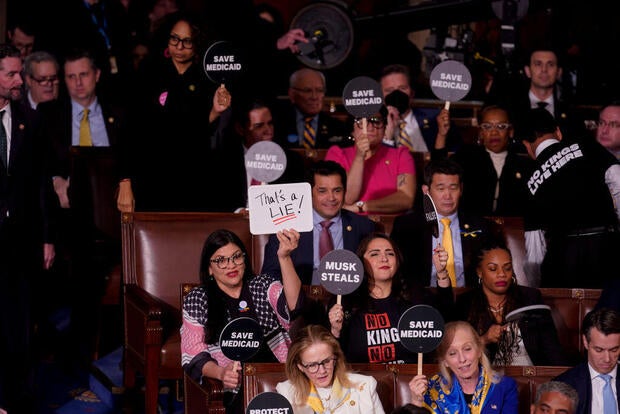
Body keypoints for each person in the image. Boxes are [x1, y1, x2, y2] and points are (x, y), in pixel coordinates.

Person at [38, 48, 127, 363]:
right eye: (71, 77)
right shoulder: (48, 115)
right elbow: (38, 164)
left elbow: (132, 161)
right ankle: (78, 346)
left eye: (83, 75)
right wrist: (54, 180)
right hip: (69, 215)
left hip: (115, 213)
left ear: (97, 75)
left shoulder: (119, 112)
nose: (77, 83)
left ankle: (114, 342)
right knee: (81, 262)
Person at [119, 12, 236, 213]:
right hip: (151, 182)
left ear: (198, 42)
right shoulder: (148, 72)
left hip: (195, 183)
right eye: (174, 39)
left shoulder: (208, 80)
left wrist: (215, 113)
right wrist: (124, 182)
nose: (179, 47)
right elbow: (130, 132)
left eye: (187, 41)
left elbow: (203, 139)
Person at [181, 228, 302, 414]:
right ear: (209, 268)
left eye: (236, 256)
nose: (231, 265)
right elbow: (194, 355)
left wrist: (284, 258)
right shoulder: (198, 299)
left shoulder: (263, 285)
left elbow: (294, 307)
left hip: (278, 375)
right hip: (235, 384)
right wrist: (221, 373)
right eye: (221, 260)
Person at [0, 43, 55, 414]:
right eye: (11, 74)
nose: (20, 80)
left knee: (16, 328)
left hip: (19, 241)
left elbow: (41, 186)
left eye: (21, 73)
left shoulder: (30, 121)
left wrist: (48, 237)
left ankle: (10, 400)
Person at [521, 107, 620, 288]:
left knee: (567, 314)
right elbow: (617, 178)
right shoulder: (585, 144)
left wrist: (536, 290)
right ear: (558, 132)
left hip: (562, 256)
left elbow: (535, 250)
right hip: (605, 246)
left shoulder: (529, 181)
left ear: (527, 145)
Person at [328, 232, 453, 364]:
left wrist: (441, 272)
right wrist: (335, 331)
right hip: (362, 381)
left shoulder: (416, 296)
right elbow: (334, 355)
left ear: (398, 261)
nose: (384, 258)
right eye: (375, 254)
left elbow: (447, 317)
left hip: (413, 380)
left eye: (390, 253)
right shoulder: (345, 302)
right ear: (360, 262)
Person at [261, 160, 377, 285]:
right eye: (322, 191)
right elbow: (270, 277)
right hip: (300, 298)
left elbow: (372, 275)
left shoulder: (363, 227)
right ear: (309, 193)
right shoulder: (287, 228)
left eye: (337, 190)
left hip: (347, 299)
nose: (331, 198)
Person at [453, 239, 567, 366]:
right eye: (492, 269)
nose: (501, 274)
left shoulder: (530, 297)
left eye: (507, 268)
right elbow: (455, 353)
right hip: (488, 379)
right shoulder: (466, 303)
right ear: (479, 272)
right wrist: (484, 339)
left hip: (531, 376)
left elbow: (552, 349)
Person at [391, 158, 501, 287]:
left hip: (468, 299)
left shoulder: (481, 226)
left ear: (461, 189)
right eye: (440, 188)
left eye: (453, 188)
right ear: (426, 190)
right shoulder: (407, 226)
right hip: (423, 299)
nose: (447, 195)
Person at [434, 104, 535, 217]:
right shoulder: (467, 156)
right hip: (472, 227)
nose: (494, 132)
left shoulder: (522, 163)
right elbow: (438, 171)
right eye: (487, 127)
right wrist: (442, 135)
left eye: (501, 126)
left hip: (512, 229)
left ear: (510, 131)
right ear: (481, 132)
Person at [408, 321, 519, 413]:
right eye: (452, 353)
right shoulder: (432, 390)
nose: (462, 359)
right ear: (445, 361)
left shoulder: (505, 386)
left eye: (467, 349)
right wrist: (416, 402)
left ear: (479, 350)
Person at [324, 107, 416, 215]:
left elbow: (406, 199)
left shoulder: (401, 155)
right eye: (361, 121)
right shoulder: (337, 154)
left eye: (376, 121)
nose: (370, 127)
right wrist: (359, 157)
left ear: (385, 127)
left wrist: (363, 206)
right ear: (352, 130)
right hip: (350, 226)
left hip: (392, 227)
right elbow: (347, 198)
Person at [276, 324, 385, 414]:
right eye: (313, 365)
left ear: (336, 357)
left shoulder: (364, 386)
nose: (322, 370)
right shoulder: (286, 393)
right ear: (300, 366)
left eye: (327, 361)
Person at [226, 97, 306, 211]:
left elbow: (297, 205)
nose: (268, 130)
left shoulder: (292, 161)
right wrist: (238, 212)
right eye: (259, 126)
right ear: (240, 129)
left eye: (270, 123)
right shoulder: (226, 161)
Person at [493, 47, 582, 144]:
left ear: (559, 72)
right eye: (538, 64)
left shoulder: (570, 110)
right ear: (527, 71)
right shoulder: (509, 107)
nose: (544, 70)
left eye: (550, 64)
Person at [379, 63, 460, 153]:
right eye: (389, 90)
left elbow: (452, 154)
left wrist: (441, 134)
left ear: (412, 92)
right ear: (381, 96)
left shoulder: (436, 119)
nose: (396, 94)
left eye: (402, 88)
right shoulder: (374, 126)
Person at [555, 307, 620, 414]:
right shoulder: (565, 384)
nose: (607, 359)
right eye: (599, 350)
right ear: (585, 342)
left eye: (614, 350)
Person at [275, 68, 349, 150]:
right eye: (307, 91)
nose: (314, 97)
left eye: (319, 90)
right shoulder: (278, 125)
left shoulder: (338, 127)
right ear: (292, 94)